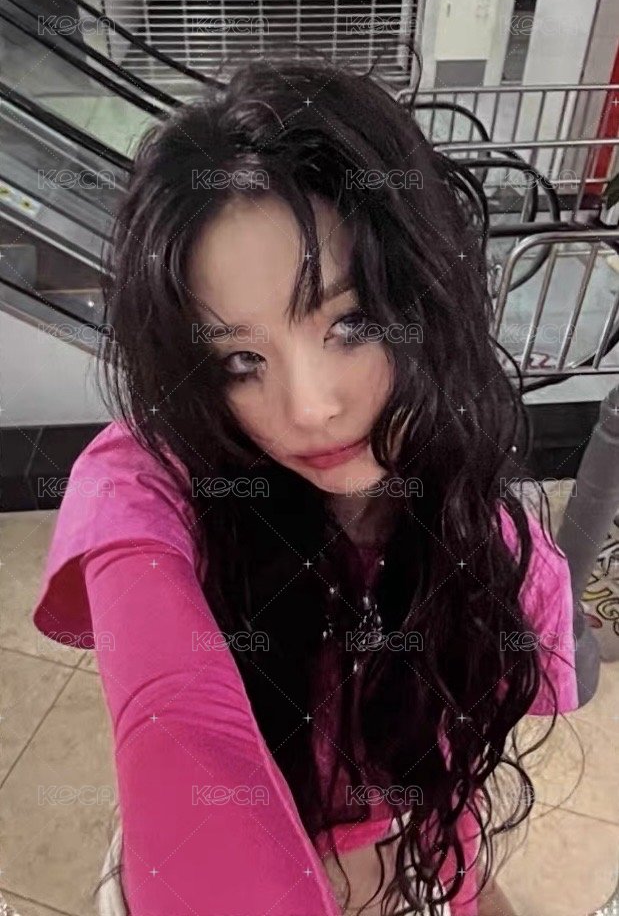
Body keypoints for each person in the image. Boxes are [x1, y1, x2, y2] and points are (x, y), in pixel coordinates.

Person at [33, 50, 579, 916]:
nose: (310, 409)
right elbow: (177, 716)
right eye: (241, 361)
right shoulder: (154, 493)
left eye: (349, 322)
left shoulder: (500, 548)